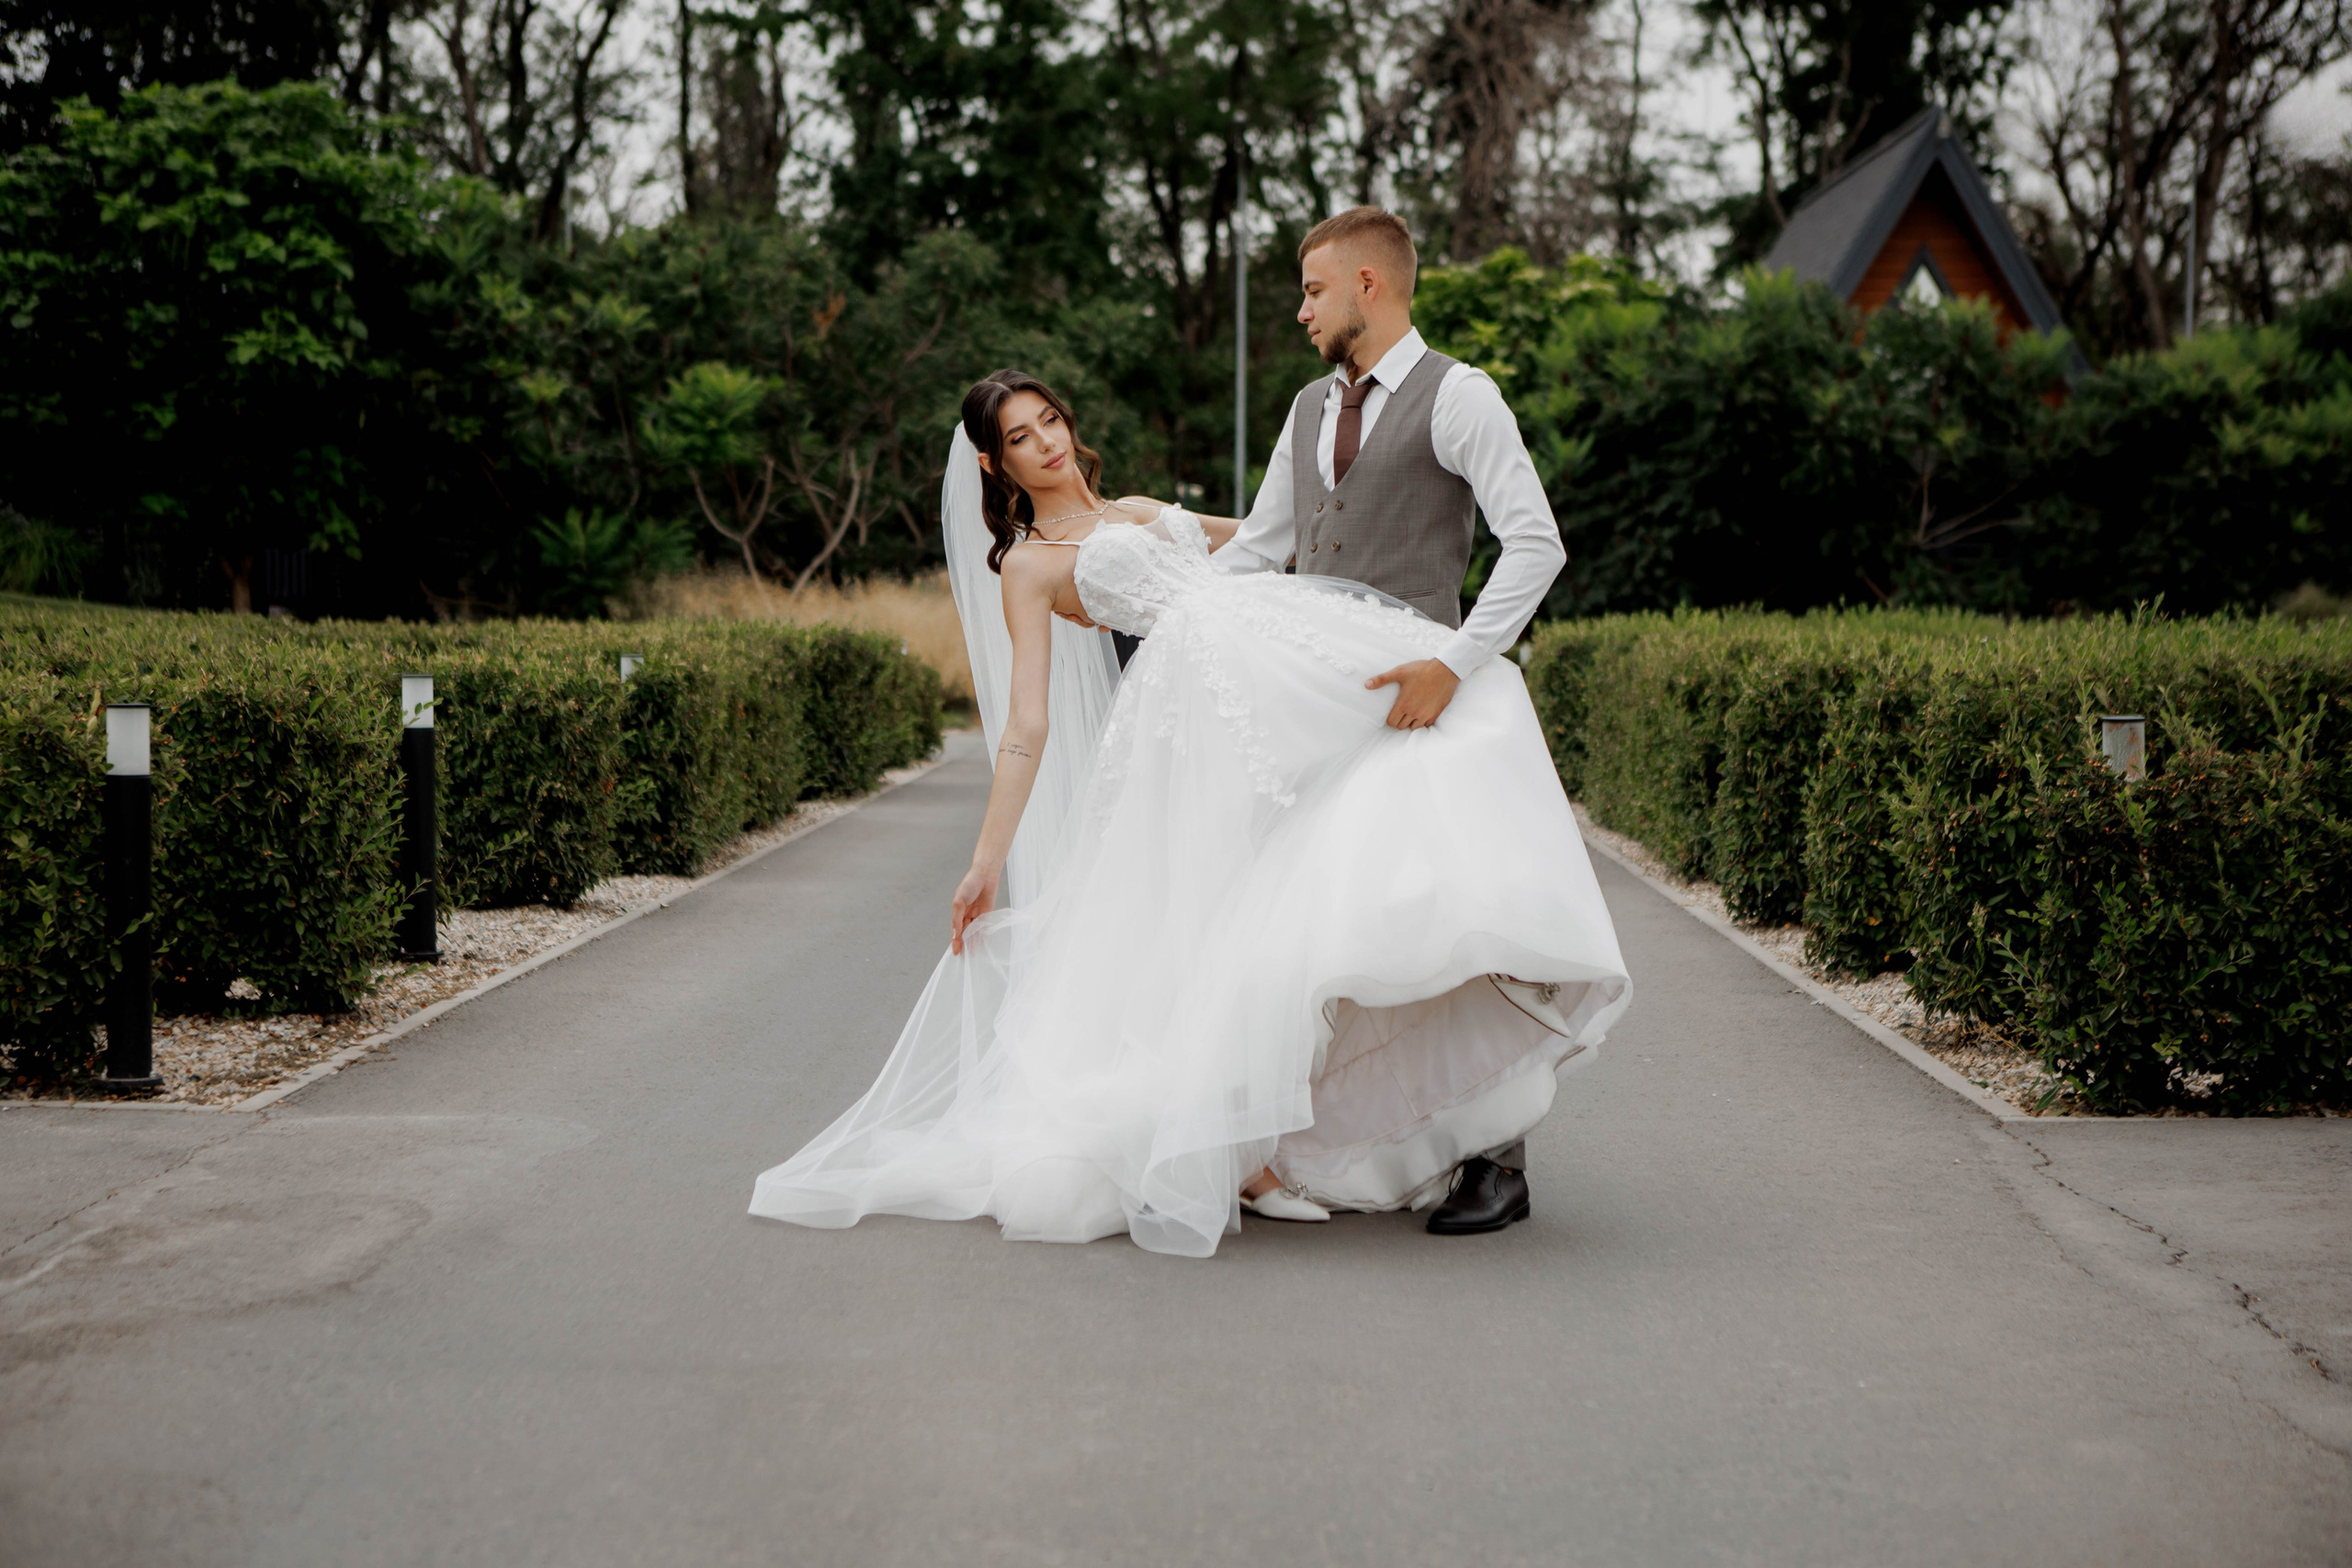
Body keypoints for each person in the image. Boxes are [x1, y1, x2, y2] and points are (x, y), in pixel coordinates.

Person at [748, 347, 1630, 1258]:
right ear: (992, 464)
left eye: (1049, 419)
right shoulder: (1028, 565)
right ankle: (1240, 1152)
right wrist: (983, 861)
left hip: (1273, 656)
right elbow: (1026, 724)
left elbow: (1269, 534)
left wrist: (1396, 506)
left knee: (1418, 760)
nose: (1046, 442)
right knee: (1214, 919)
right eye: (1019, 436)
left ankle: (1444, 1057)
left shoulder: (1133, 510)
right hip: (1193, 717)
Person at [1213, 205, 1569, 1235]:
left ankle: (1498, 1163)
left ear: (1370, 285)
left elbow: (1534, 544)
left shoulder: (1459, 397)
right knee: (1331, 931)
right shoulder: (1304, 410)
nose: (1301, 309)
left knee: (1454, 925)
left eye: (1314, 290)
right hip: (1316, 708)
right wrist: (1157, 597)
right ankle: (1329, 1140)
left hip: (1424, 704)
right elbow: (1263, 545)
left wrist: (1455, 665)